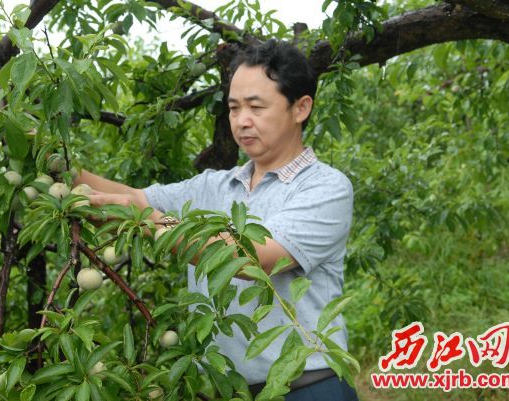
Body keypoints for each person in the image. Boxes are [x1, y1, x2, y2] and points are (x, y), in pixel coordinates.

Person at [76, 40, 358, 401]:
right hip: (228, 391)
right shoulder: (218, 185)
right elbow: (133, 199)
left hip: (309, 388)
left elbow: (254, 258)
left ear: (300, 107)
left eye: (256, 107)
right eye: (234, 107)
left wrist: (150, 222)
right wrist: (61, 167)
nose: (242, 121)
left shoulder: (325, 187)